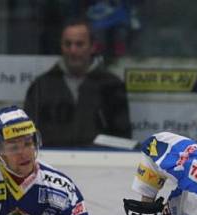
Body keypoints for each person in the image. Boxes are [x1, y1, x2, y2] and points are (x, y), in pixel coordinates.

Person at [24, 17, 131, 148]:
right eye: (67, 44)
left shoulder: (111, 85)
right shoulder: (41, 86)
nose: (73, 50)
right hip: (51, 162)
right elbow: (28, 137)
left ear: (92, 47)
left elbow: (123, 139)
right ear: (61, 46)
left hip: (101, 164)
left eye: (79, 44)